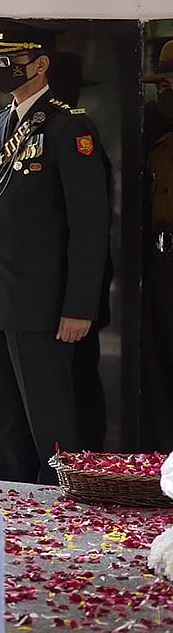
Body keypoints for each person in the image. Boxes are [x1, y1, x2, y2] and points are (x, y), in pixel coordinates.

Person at [0, 21, 110, 484]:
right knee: (1, 424)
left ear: (40, 64)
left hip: (42, 305)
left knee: (50, 426)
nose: (1, 69)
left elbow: (89, 227)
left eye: (11, 61)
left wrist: (79, 306)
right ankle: (9, 509)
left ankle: (58, 514)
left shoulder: (69, 128)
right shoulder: (1, 124)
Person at [141, 39, 173, 451]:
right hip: (162, 263)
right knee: (160, 367)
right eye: (160, 85)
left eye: (169, 84)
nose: (163, 91)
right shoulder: (158, 143)